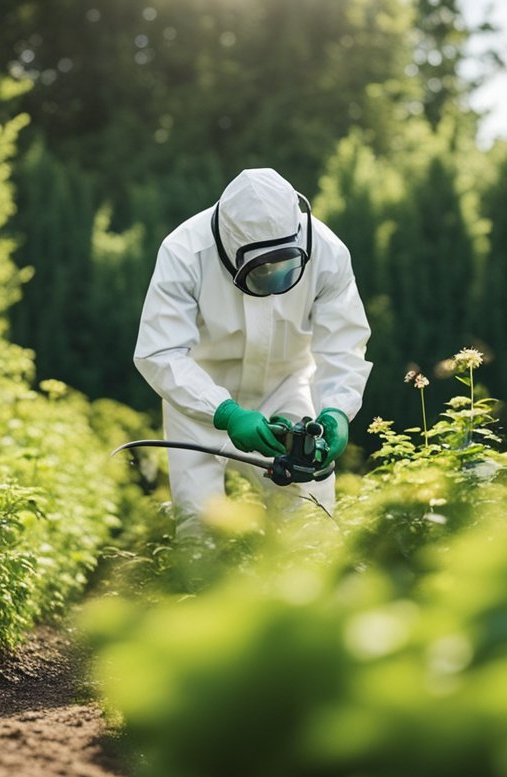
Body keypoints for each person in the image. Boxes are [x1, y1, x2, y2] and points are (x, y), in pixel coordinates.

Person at [134, 168, 372, 531]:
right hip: (199, 397)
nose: (276, 280)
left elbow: (343, 343)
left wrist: (337, 409)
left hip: (286, 387)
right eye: (262, 271)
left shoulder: (328, 251)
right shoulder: (184, 251)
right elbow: (161, 351)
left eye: (286, 266)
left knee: (309, 515)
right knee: (200, 527)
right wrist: (226, 412)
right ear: (229, 247)